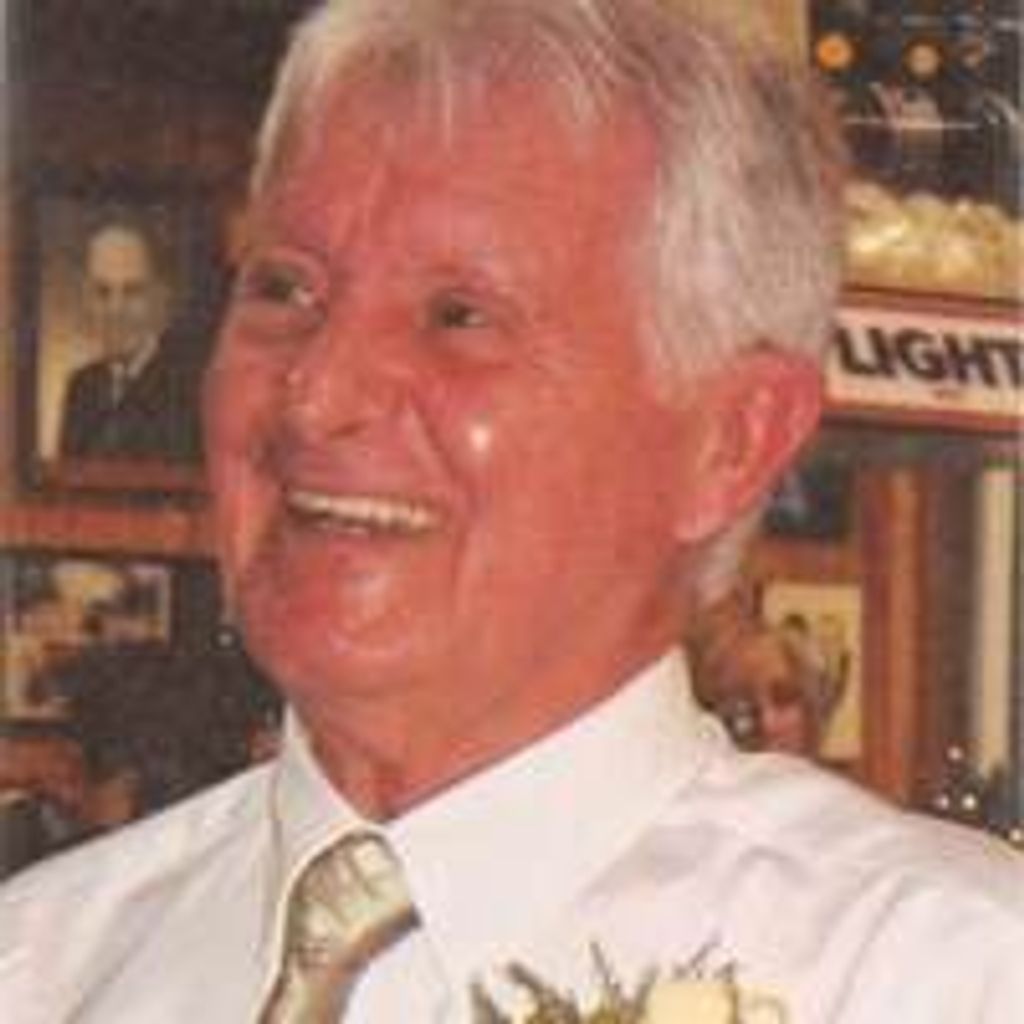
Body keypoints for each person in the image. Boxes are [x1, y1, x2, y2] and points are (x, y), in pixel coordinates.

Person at [2, 2, 1022, 1021]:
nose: (316, 395)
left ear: (731, 440)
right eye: (284, 289)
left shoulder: (942, 977)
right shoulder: (44, 962)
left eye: (457, 316)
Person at [57, 219, 203, 462]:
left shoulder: (188, 389)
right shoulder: (80, 388)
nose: (116, 310)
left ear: (159, 297)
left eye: (132, 292)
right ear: (86, 300)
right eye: (102, 292)